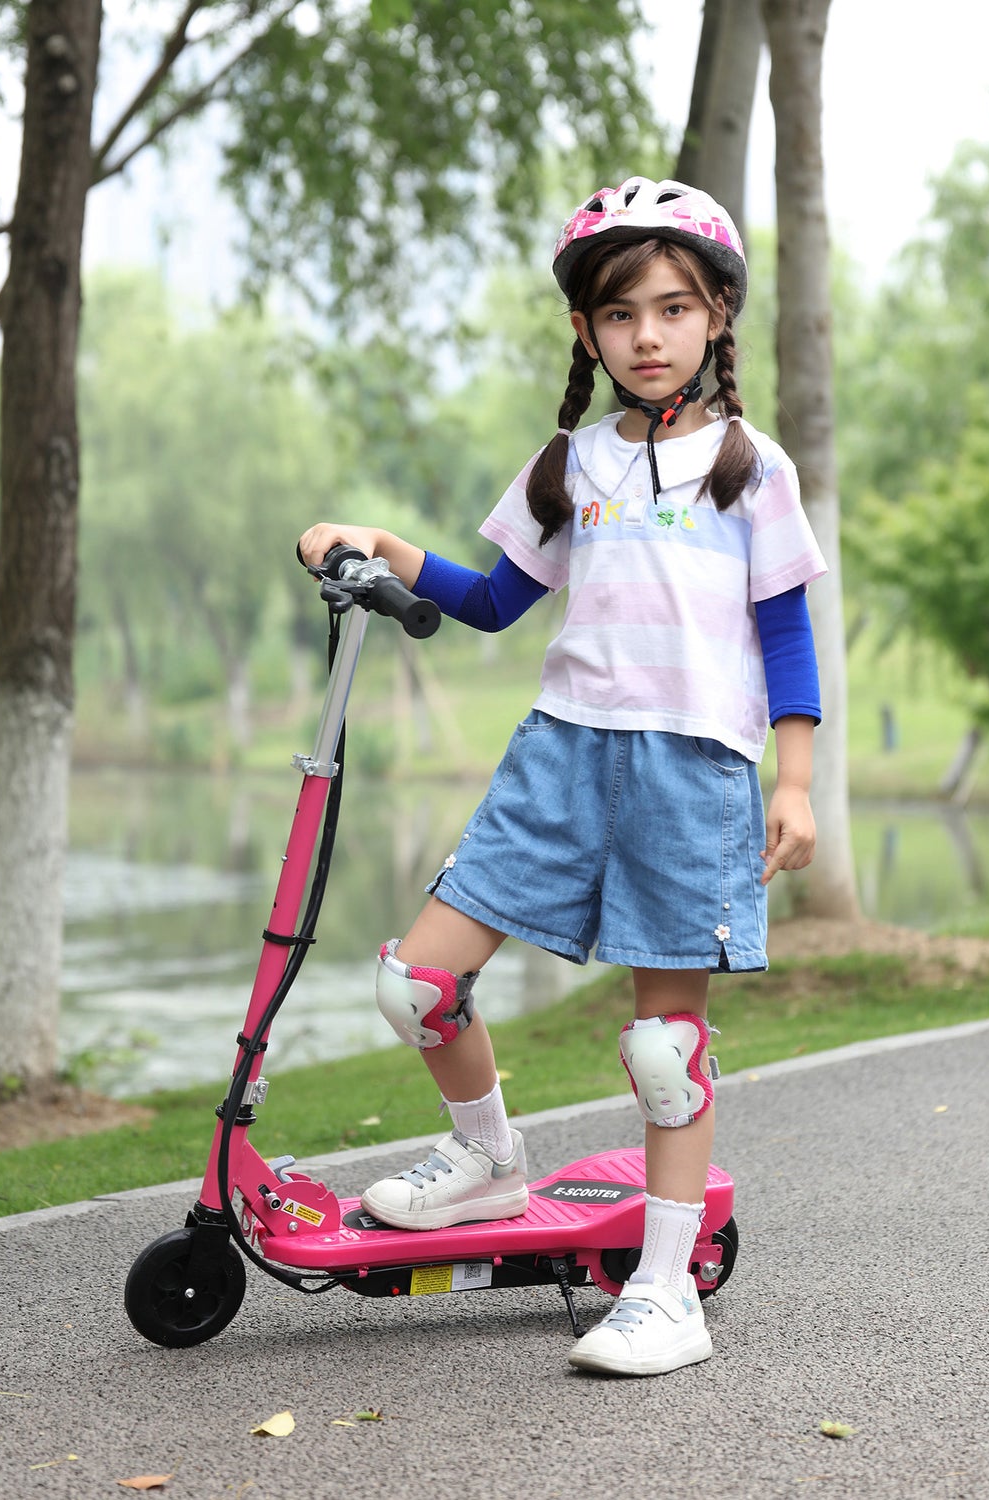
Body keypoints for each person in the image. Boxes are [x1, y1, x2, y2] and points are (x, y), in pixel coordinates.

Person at [298, 176, 826, 1377]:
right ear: (586, 331)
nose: (649, 335)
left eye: (673, 309)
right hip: (560, 755)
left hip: (692, 768)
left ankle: (666, 1291)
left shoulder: (750, 468)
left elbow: (785, 633)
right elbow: (494, 602)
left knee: (664, 1049)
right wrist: (383, 547)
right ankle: (489, 1161)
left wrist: (793, 781)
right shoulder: (570, 462)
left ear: (716, 317)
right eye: (621, 313)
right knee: (420, 984)